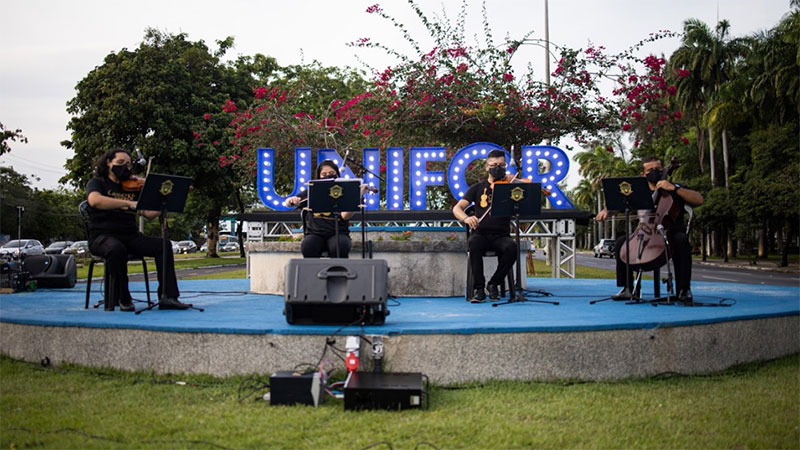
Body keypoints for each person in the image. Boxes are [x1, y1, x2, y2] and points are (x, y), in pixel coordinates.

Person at [86, 147, 191, 311]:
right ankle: (123, 298)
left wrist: (167, 200)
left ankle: (168, 296)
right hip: (102, 236)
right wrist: (127, 203)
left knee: (164, 245)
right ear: (108, 163)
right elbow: (95, 200)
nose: (125, 167)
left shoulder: (132, 187)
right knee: (116, 249)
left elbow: (148, 213)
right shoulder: (97, 183)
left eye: (128, 164)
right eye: (120, 163)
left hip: (130, 236)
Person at [595, 156, 704, 303]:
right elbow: (619, 205)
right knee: (621, 242)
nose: (655, 172)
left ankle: (684, 289)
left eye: (658, 169)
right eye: (650, 170)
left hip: (670, 233)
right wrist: (607, 210)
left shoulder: (673, 188)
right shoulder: (639, 192)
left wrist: (674, 188)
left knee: (682, 240)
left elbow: (698, 199)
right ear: (643, 174)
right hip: (645, 233)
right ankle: (627, 288)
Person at [452, 149, 517, 303]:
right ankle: (479, 289)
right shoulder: (477, 188)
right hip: (481, 234)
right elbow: (457, 208)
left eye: (501, 165)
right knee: (473, 243)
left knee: (511, 248)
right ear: (487, 167)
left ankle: (494, 283)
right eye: (494, 165)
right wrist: (466, 218)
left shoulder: (510, 186)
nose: (498, 168)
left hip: (501, 235)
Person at [285, 160, 366, 258]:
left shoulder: (345, 191)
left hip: (338, 233)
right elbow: (289, 203)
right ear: (319, 176)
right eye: (324, 174)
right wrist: (291, 201)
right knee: (308, 246)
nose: (328, 176)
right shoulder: (312, 190)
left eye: (332, 173)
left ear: (337, 174)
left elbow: (345, 216)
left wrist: (357, 196)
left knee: (340, 246)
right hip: (315, 233)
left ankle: (338, 272)